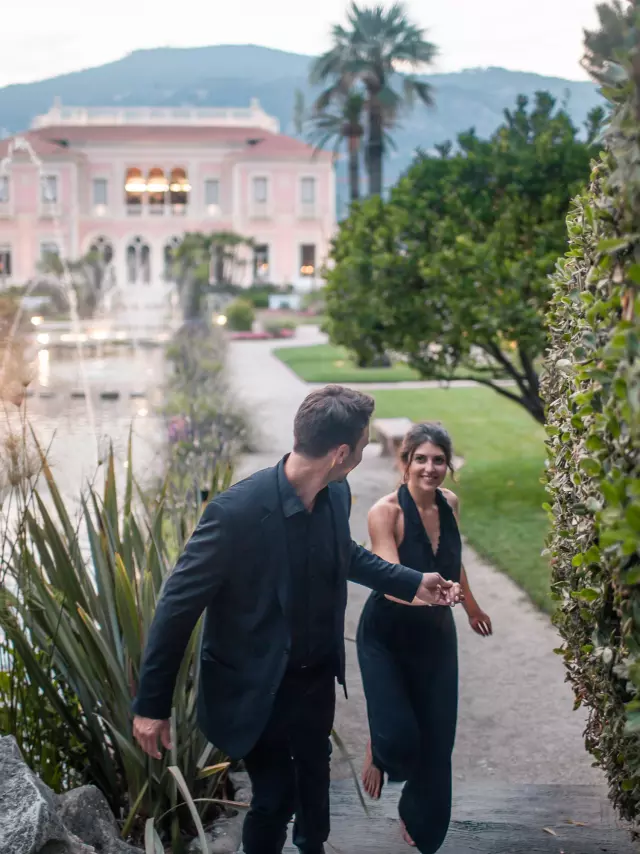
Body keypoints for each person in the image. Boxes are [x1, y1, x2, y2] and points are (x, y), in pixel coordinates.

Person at [132, 386, 463, 854]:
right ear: (340, 453)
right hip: (253, 684)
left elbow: (343, 554)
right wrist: (151, 705)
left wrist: (413, 581)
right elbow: (176, 606)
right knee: (275, 796)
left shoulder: (334, 492)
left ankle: (313, 846)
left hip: (312, 680)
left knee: (314, 779)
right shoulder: (235, 513)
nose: (367, 453)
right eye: (364, 445)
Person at [357, 422, 492, 852]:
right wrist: (436, 596)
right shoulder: (385, 513)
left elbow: (452, 563)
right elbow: (390, 578)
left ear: (447, 466)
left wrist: (470, 606)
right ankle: (378, 745)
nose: (430, 468)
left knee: (437, 740)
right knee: (398, 740)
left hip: (435, 636)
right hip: (387, 634)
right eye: (421, 459)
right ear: (405, 462)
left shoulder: (450, 503)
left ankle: (422, 822)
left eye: (438, 460)